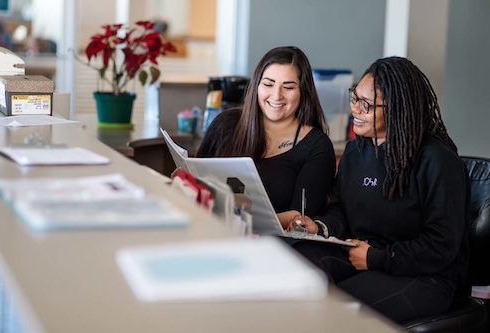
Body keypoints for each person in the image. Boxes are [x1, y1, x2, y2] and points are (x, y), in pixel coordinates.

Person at [289, 56, 469, 324]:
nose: (355, 110)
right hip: (363, 255)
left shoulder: (437, 161)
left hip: (425, 277)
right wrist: (320, 227)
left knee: (333, 312)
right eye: (354, 98)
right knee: (295, 269)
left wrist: (378, 258)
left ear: (397, 109)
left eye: (367, 105)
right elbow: (341, 209)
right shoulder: (355, 151)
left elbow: (441, 245)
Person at [197, 46, 336, 228]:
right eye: (268, 84)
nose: (276, 95)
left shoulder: (317, 146)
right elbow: (198, 180)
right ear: (256, 86)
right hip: (213, 233)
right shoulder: (226, 123)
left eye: (288, 87)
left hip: (275, 247)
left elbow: (300, 223)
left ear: (303, 91)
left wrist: (241, 222)